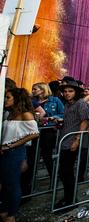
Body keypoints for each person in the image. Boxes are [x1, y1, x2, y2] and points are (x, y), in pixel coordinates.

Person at [0, 88, 39, 222]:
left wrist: (12, 145)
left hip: (15, 153)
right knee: (5, 183)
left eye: (8, 97)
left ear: (17, 99)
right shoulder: (8, 113)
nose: (5, 100)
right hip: (4, 153)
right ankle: (4, 211)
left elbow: (34, 133)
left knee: (13, 184)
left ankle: (11, 215)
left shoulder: (26, 114)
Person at [55, 81, 89, 211]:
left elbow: (84, 121)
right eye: (65, 91)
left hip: (71, 142)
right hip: (64, 141)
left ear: (76, 92)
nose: (67, 94)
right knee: (64, 172)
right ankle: (68, 198)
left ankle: (71, 201)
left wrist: (77, 140)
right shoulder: (67, 104)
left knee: (67, 172)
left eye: (70, 91)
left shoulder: (80, 104)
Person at [23, 82, 64, 193]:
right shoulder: (32, 101)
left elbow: (63, 113)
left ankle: (53, 182)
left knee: (47, 157)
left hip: (48, 132)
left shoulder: (55, 100)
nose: (33, 91)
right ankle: (28, 185)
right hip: (34, 131)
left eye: (35, 89)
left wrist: (52, 118)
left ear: (43, 90)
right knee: (32, 158)